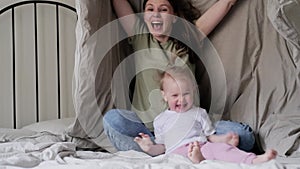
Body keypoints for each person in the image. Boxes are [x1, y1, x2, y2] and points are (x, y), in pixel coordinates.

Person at [103, 0, 255, 153]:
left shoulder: (189, 36)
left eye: (163, 9)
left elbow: (227, 3)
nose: (156, 14)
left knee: (244, 136)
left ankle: (182, 147)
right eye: (150, 9)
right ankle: (158, 149)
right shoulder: (140, 36)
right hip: (151, 133)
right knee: (112, 120)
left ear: (174, 17)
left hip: (192, 130)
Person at [134, 65, 277, 164]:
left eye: (186, 94)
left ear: (194, 91)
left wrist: (224, 139)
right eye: (175, 95)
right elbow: (162, 147)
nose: (181, 100)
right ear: (164, 96)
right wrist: (149, 147)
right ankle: (198, 160)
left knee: (222, 150)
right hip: (176, 152)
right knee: (173, 160)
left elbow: (210, 137)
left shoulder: (198, 113)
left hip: (202, 145)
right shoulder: (160, 120)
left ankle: (254, 160)